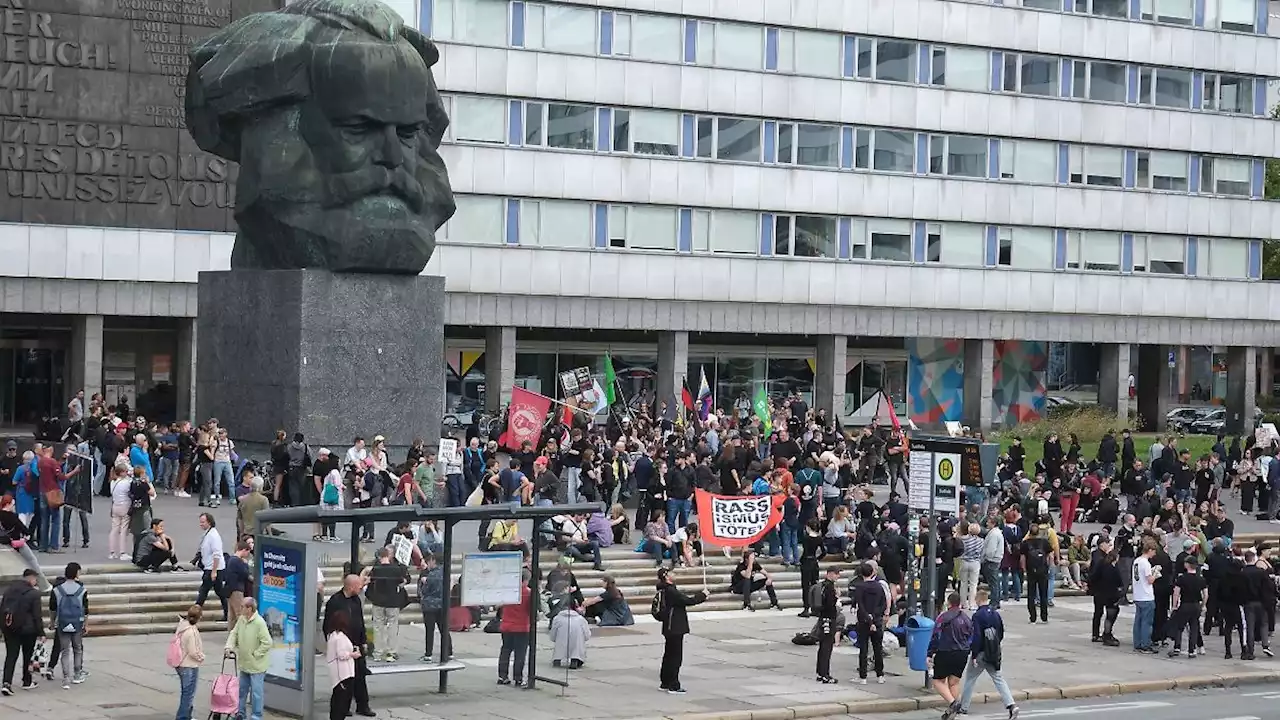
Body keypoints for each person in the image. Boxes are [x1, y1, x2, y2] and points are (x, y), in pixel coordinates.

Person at [944, 603, 1020, 720]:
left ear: (978, 600)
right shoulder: (995, 614)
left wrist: (974, 654)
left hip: (981, 653)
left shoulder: (977, 616)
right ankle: (1011, 704)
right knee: (998, 678)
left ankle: (964, 707)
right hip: (993, 652)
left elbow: (977, 636)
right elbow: (1000, 633)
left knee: (970, 678)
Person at [324, 574, 375, 717]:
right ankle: (343, 707)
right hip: (342, 645)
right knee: (345, 680)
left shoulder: (356, 600)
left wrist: (363, 640)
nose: (361, 588)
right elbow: (328, 625)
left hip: (356, 644)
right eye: (359, 586)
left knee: (360, 675)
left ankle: (362, 705)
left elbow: (360, 622)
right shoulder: (335, 601)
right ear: (351, 586)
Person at [656, 567, 707, 694]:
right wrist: (703, 595)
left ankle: (665, 682)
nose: (675, 574)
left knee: (668, 655)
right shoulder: (671, 591)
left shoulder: (665, 589)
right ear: (666, 576)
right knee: (675, 657)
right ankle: (673, 685)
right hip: (675, 627)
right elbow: (688, 601)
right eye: (672, 573)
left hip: (669, 626)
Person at [224, 596, 272, 720]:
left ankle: (256, 716)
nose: (240, 609)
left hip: (256, 665)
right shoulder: (242, 619)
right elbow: (234, 633)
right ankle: (240, 713)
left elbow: (267, 642)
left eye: (242, 607)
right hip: (244, 663)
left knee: (256, 693)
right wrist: (229, 646)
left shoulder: (259, 622)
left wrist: (256, 654)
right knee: (242, 691)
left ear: (249, 608)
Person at [928, 592, 973, 708]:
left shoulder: (942, 617)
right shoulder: (966, 618)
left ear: (948, 603)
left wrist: (930, 653)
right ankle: (953, 708)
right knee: (954, 682)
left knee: (937, 681)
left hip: (945, 651)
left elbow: (936, 637)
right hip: (962, 653)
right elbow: (972, 636)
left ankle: (953, 703)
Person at [367, 547, 409, 662]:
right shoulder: (396, 569)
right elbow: (402, 582)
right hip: (393, 601)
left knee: (377, 626)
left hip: (378, 601)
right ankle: (391, 652)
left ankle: (377, 652)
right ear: (388, 556)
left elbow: (369, 581)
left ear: (379, 557)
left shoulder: (376, 569)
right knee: (392, 626)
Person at [49, 561, 87, 689]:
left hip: (62, 622)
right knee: (77, 649)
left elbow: (53, 608)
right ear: (76, 573)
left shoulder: (57, 590)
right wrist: (85, 624)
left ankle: (66, 678)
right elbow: (85, 609)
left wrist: (52, 622)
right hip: (77, 622)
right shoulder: (82, 589)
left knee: (65, 651)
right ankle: (77, 674)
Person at [1167, 554, 1207, 658]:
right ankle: (1192, 650)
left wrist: (1174, 605)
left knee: (1180, 627)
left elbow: (1176, 593)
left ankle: (1177, 647)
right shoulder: (1201, 579)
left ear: (1187, 565)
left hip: (1185, 604)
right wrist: (1203, 604)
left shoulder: (1182, 578)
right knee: (1194, 627)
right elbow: (1206, 595)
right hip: (1196, 605)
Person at [497, 569, 532, 686]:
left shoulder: (509, 591)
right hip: (521, 627)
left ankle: (502, 676)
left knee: (505, 650)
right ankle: (518, 678)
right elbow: (531, 610)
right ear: (526, 580)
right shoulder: (528, 593)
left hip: (506, 625)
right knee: (520, 653)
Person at [325, 610, 360, 720]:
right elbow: (341, 655)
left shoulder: (332, 635)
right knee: (341, 701)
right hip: (343, 673)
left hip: (338, 673)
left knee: (337, 699)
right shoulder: (339, 637)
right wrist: (352, 654)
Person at [173, 605, 206, 720]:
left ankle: (187, 715)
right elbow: (193, 651)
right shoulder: (191, 631)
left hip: (181, 664)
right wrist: (201, 657)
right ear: (199, 617)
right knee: (188, 693)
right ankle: (182, 717)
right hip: (189, 665)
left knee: (186, 691)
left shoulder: (182, 626)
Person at [194, 513, 228, 622]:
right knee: (220, 592)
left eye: (203, 522)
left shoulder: (213, 536)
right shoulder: (207, 534)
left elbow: (217, 554)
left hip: (213, 568)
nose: (200, 524)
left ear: (209, 522)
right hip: (211, 567)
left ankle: (194, 614)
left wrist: (214, 571)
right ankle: (227, 613)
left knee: (203, 591)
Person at [417, 554, 449, 662]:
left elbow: (425, 591)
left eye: (429, 562)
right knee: (444, 629)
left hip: (430, 605)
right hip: (442, 604)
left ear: (433, 561)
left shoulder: (431, 575)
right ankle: (449, 651)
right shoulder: (445, 573)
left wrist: (424, 582)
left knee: (429, 630)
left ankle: (428, 653)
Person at [813, 566, 840, 684]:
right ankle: (825, 674)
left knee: (822, 646)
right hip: (829, 618)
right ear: (829, 574)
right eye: (836, 573)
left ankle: (820, 673)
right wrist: (836, 597)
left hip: (822, 618)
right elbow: (829, 604)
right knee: (827, 647)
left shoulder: (822, 585)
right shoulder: (829, 587)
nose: (838, 576)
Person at [1132, 538, 1159, 653]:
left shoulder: (1137, 561)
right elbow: (1150, 580)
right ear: (1150, 550)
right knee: (1147, 622)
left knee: (1138, 620)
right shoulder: (1146, 563)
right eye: (1154, 551)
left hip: (1137, 594)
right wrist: (1156, 573)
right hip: (1146, 595)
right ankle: (1145, 644)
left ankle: (1137, 643)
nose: (1155, 554)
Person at [1020, 526, 1052, 623]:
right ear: (1039, 532)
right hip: (1043, 571)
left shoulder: (1025, 543)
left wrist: (1024, 569)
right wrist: (1048, 567)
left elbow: (1022, 558)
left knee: (1031, 595)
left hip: (1031, 571)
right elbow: (1050, 556)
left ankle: (1032, 617)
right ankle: (1044, 617)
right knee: (1043, 594)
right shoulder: (1044, 542)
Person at [550, 599, 591, 669]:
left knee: (559, 647)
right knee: (577, 648)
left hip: (561, 642)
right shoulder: (580, 619)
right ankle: (574, 660)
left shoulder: (557, 618)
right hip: (576, 643)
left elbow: (553, 633)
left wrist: (553, 638)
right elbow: (587, 635)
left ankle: (557, 659)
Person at [222, 541, 253, 632]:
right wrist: (245, 564)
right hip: (237, 590)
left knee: (232, 616)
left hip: (230, 590)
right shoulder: (238, 561)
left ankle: (231, 634)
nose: (248, 554)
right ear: (244, 550)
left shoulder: (231, 560)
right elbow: (245, 573)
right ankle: (242, 635)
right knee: (240, 613)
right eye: (248, 552)